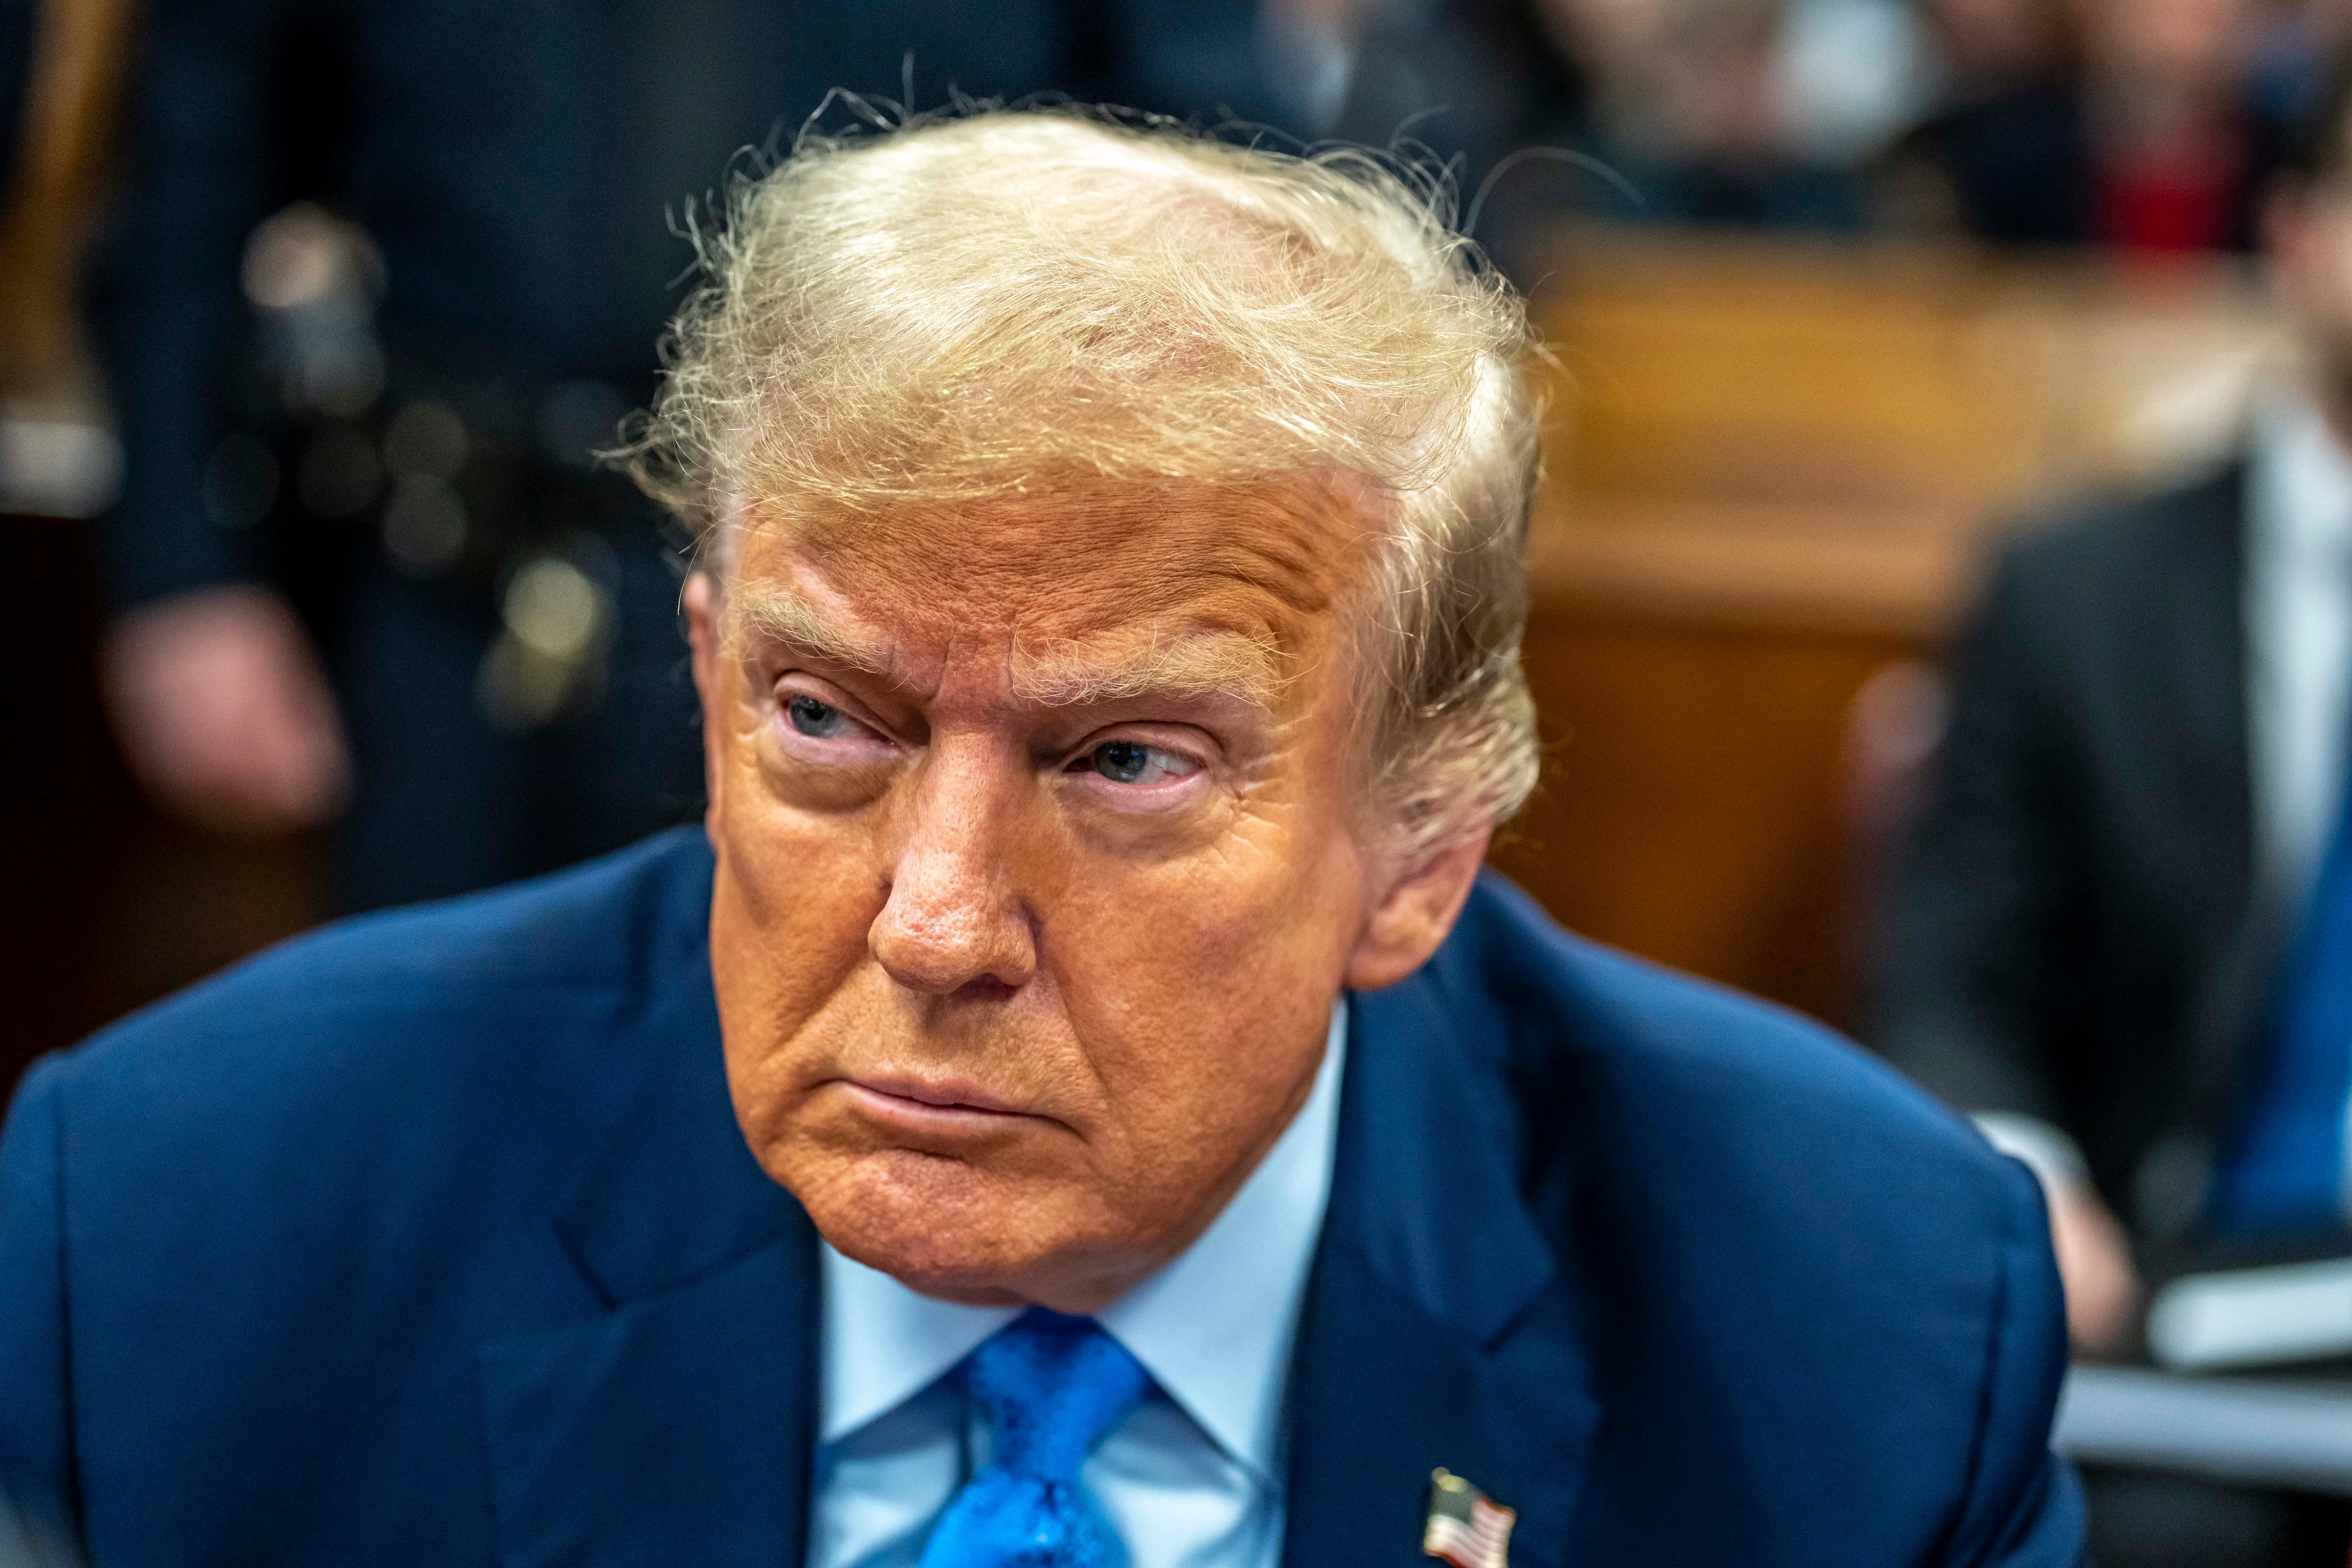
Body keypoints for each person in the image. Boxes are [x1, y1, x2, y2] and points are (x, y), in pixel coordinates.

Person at [0, 110, 2083, 1565]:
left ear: (1423, 852)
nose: (934, 924)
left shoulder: (1851, 1337)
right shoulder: (186, 1229)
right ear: (710, 682)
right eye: (827, 722)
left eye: (1128, 763)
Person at [91, 0, 1273, 912]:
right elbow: (187, 198)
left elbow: (1218, 196)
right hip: (444, 587)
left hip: (884, 621)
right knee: (439, 1075)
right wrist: (183, 580)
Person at [1874, 53, 2352, 1568]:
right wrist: (2030, 1178)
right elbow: (1950, 973)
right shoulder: (2080, 591)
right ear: (2295, 227)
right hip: (2173, 1286)